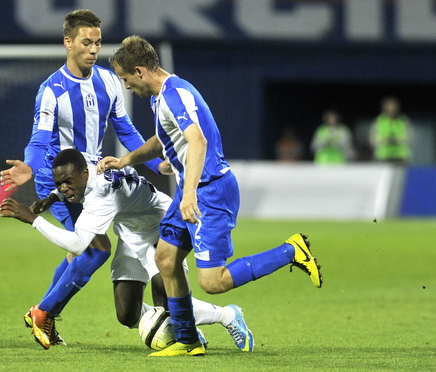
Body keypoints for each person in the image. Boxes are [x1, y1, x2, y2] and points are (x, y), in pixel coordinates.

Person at [100, 35, 323, 357]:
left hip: (210, 192)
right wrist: (126, 159)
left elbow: (198, 141)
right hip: (192, 191)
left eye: (125, 79)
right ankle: (188, 339)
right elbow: (165, 138)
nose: (125, 86)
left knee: (213, 282)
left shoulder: (175, 95)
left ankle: (292, 250)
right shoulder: (160, 96)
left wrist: (188, 192)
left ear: (139, 71)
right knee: (165, 259)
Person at [0, 9, 166, 348]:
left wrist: (158, 163)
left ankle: (41, 313)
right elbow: (39, 139)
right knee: (96, 249)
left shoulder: (108, 81)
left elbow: (126, 130)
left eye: (98, 43)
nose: (93, 49)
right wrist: (30, 167)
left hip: (94, 181)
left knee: (80, 253)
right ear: (68, 42)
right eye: (86, 42)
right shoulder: (51, 90)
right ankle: (45, 312)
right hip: (61, 183)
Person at [0, 148, 250, 351]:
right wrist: (53, 196)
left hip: (160, 226)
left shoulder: (100, 196)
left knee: (166, 294)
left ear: (85, 174)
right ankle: (175, 322)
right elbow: (67, 176)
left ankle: (226, 315)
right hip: (131, 232)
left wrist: (33, 220)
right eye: (59, 184)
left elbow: (77, 244)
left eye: (68, 183)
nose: (65, 188)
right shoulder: (82, 162)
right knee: (127, 314)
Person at [369, 96, 412, 164]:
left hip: (400, 157)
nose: (391, 109)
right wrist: (386, 140)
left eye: (393, 106)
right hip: (383, 157)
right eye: (389, 106)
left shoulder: (403, 121)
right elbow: (373, 140)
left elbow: (409, 138)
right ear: (384, 107)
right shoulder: (378, 121)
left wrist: (396, 140)